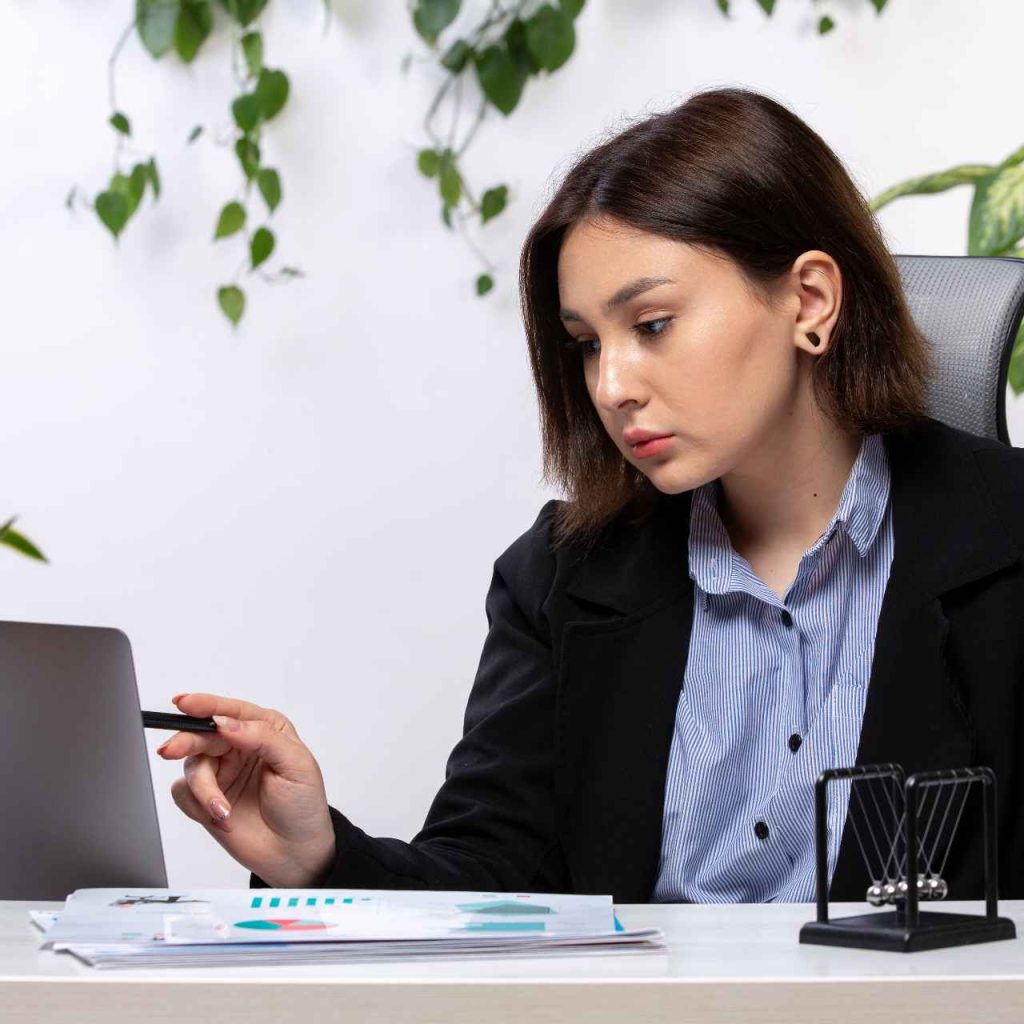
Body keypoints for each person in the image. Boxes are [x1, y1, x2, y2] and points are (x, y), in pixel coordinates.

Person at [159, 86, 1024, 903]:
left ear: (809, 300)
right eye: (584, 344)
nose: (610, 386)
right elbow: (494, 880)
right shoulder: (560, 577)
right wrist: (321, 856)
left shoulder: (1006, 540)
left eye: (651, 325)